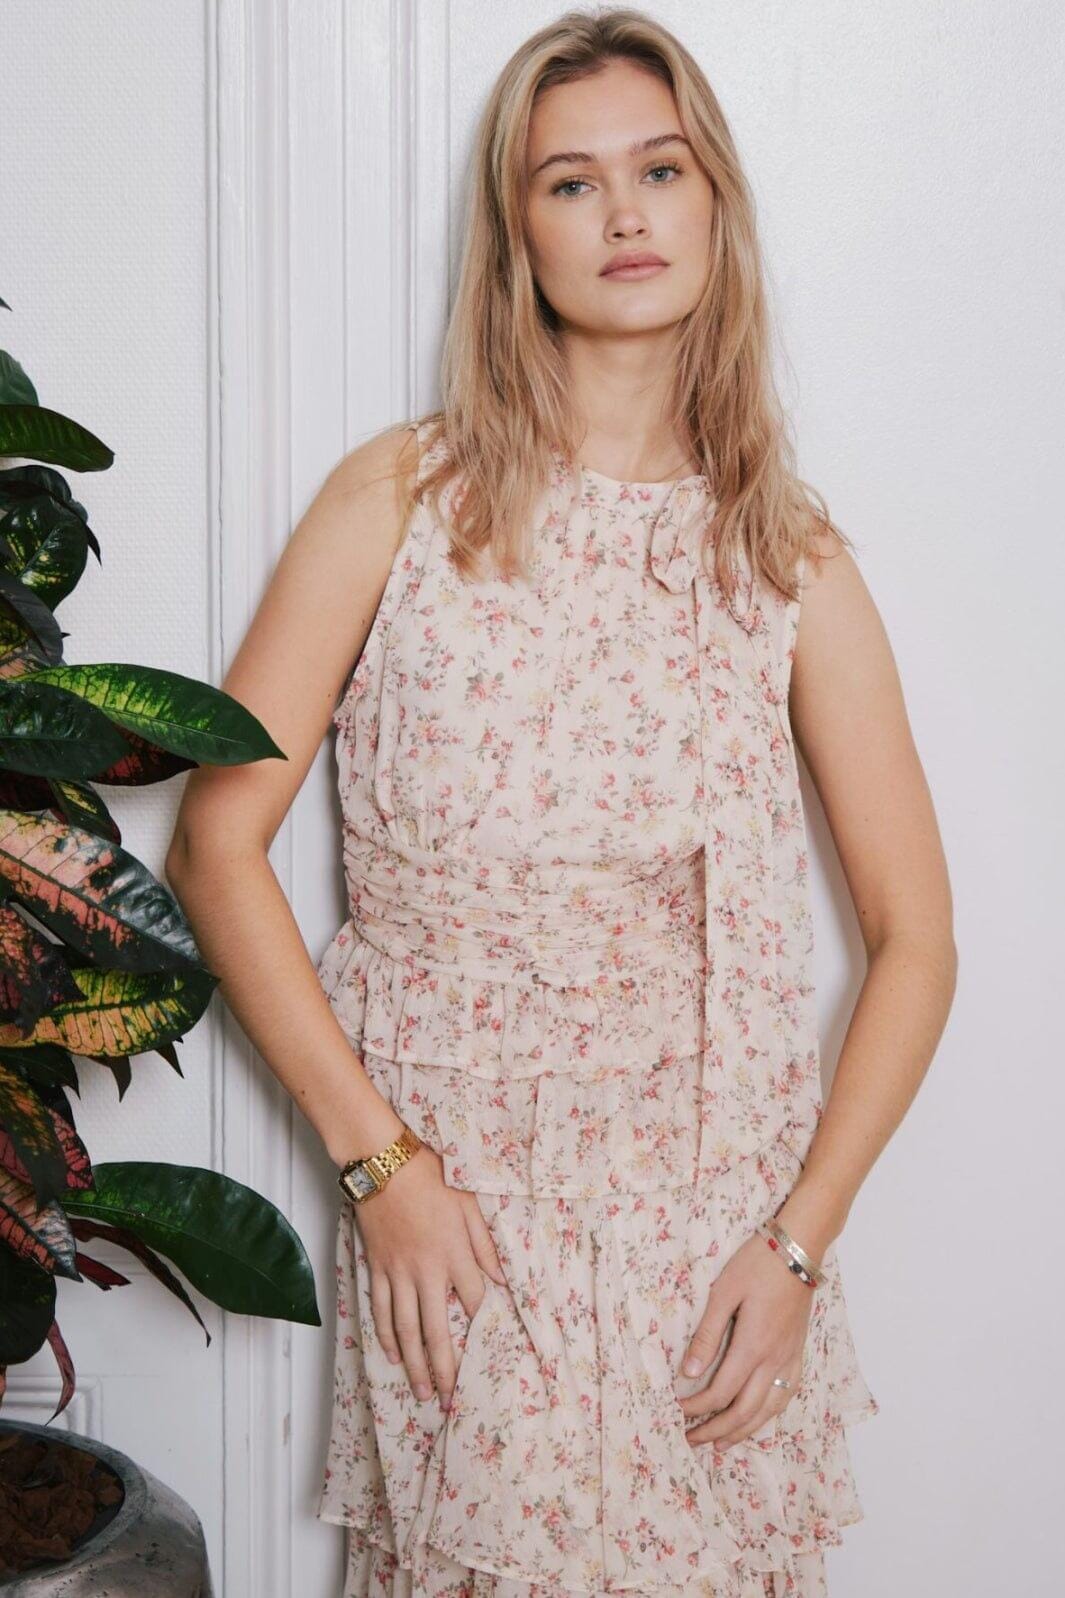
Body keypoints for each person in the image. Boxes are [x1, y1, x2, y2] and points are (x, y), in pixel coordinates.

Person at [165, 9, 957, 1596]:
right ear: (515, 233)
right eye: (569, 182)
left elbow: (915, 939)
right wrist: (381, 1169)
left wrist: (797, 1242)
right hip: (459, 1216)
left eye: (659, 170)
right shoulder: (400, 496)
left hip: (711, 1232)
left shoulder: (783, 555)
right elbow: (213, 845)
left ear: (713, 202)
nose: (623, 215)